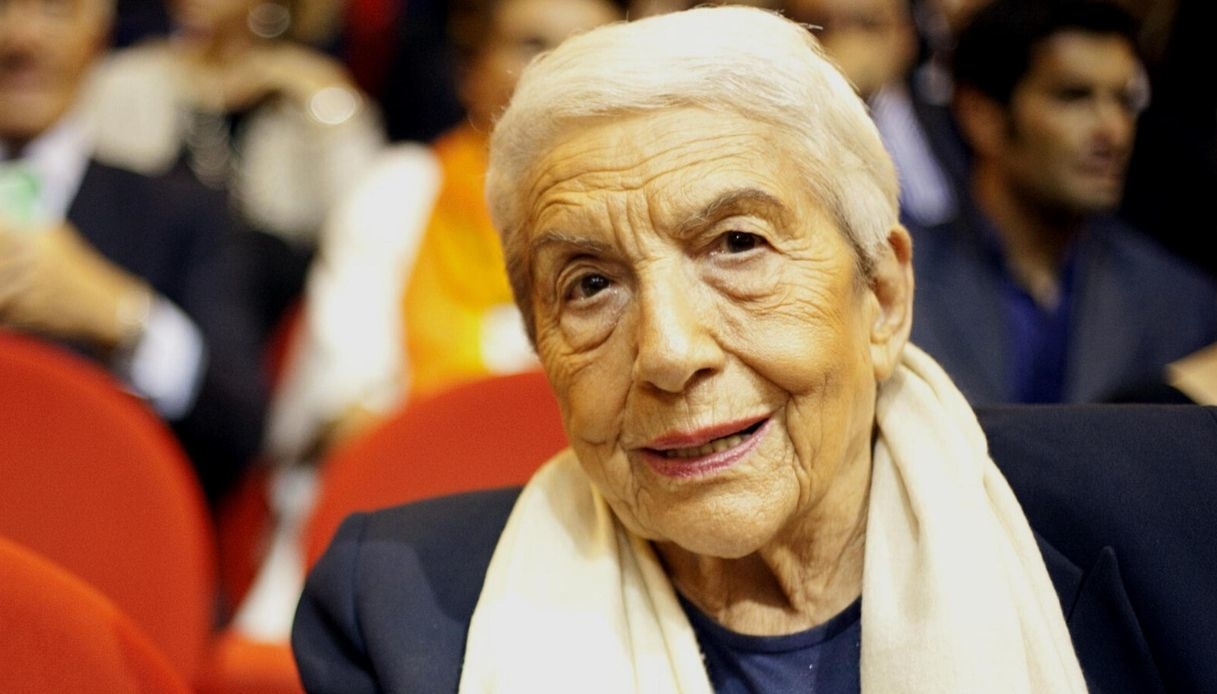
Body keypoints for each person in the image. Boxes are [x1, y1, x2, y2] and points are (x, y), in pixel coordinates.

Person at [292, 6, 1214, 692]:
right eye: (590, 285)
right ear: (541, 343)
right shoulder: (399, 610)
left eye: (737, 245)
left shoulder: (1170, 515)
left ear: (882, 295)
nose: (668, 351)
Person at [266, 0, 622, 466]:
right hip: (408, 475)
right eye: (531, 45)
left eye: (587, 48)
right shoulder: (400, 190)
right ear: (470, 72)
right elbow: (345, 411)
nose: (559, 70)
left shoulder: (638, 212)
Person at [0, 0, 266, 504]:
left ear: (96, 35)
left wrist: (124, 319)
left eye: (55, 11)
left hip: (89, 517)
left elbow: (235, 433)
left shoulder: (180, 214)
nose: (21, 38)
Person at [908, 0, 1217, 405]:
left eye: (1124, 101)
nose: (1115, 131)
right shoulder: (896, 284)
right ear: (982, 115)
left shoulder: (1180, 304)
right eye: (1074, 97)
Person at [83, 0, 384, 338]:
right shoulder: (130, 80)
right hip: (141, 308)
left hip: (268, 325)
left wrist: (326, 101)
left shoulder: (311, 92)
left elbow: (366, 228)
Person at [783, 0, 968, 228]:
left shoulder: (958, 117)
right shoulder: (779, 133)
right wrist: (840, 96)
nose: (847, 44)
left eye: (865, 25)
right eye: (820, 27)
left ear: (905, 35)